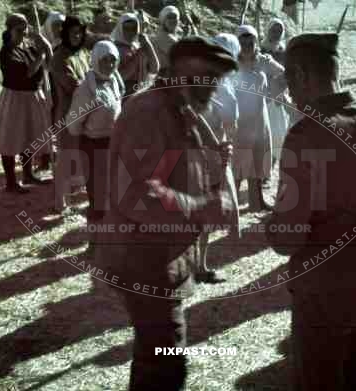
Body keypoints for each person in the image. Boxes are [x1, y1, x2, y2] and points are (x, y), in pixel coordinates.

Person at [97, 36, 237, 391]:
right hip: (143, 259)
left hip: (162, 256)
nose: (212, 87)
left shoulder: (178, 109)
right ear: (178, 72)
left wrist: (213, 162)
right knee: (165, 360)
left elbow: (172, 170)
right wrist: (202, 208)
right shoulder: (149, 113)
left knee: (156, 359)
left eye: (216, 79)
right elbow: (138, 194)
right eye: (205, 76)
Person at [266, 33, 356, 391]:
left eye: (290, 82)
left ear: (300, 75)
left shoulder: (305, 136)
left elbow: (288, 237)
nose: (291, 94)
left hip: (326, 285)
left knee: (319, 381)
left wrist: (270, 226)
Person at [193, 32, 242, 284]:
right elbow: (194, 114)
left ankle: (200, 265)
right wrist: (214, 142)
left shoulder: (228, 83)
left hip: (218, 155)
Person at [66, 40, 124, 233]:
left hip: (112, 143)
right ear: (95, 60)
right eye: (104, 60)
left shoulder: (114, 81)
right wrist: (91, 135)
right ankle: (95, 240)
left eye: (112, 60)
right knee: (97, 195)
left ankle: (109, 236)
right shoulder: (86, 90)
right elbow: (73, 124)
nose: (109, 64)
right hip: (93, 145)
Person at [0, 13, 53, 193]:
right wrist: (41, 55)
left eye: (25, 29)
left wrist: (43, 41)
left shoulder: (28, 47)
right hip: (14, 98)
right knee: (11, 139)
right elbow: (27, 72)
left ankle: (28, 174)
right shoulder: (7, 52)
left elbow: (49, 57)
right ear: (10, 30)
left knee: (29, 136)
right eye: (19, 29)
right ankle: (10, 182)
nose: (23, 32)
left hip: (30, 96)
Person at [234, 25, 284, 211]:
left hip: (259, 119)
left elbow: (284, 74)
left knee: (256, 159)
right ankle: (228, 205)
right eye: (243, 41)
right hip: (239, 121)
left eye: (251, 41)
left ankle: (257, 201)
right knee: (238, 162)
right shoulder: (231, 62)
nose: (247, 45)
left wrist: (275, 92)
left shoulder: (264, 61)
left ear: (256, 41)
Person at [50, 16, 91, 212]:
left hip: (86, 112)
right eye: (73, 32)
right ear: (65, 33)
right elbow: (73, 85)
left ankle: (75, 196)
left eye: (80, 32)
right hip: (68, 113)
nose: (77, 36)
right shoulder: (59, 57)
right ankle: (59, 201)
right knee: (66, 158)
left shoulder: (82, 53)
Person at [260, 18, 292, 178]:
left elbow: (289, 75)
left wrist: (282, 89)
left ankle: (269, 171)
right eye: (274, 29)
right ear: (268, 30)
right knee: (264, 136)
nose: (276, 33)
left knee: (278, 135)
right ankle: (262, 172)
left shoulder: (284, 52)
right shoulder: (259, 49)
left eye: (279, 30)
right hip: (262, 98)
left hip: (279, 98)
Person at [112, 13, 160, 96]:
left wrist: (148, 45)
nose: (130, 32)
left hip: (140, 93)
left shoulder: (137, 46)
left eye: (134, 28)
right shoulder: (114, 49)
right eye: (126, 28)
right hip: (122, 96)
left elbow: (154, 68)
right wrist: (137, 56)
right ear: (120, 28)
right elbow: (118, 78)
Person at [151, 5, 182, 77]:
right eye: (169, 17)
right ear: (163, 20)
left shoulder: (173, 36)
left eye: (174, 17)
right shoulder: (162, 37)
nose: (172, 20)